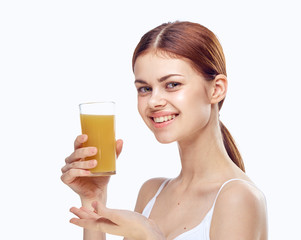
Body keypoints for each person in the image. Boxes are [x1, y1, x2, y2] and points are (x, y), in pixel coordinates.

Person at [61, 21, 268, 240]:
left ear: (216, 89)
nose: (154, 101)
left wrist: (149, 236)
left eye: (172, 84)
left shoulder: (238, 197)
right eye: (145, 89)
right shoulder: (152, 193)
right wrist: (95, 199)